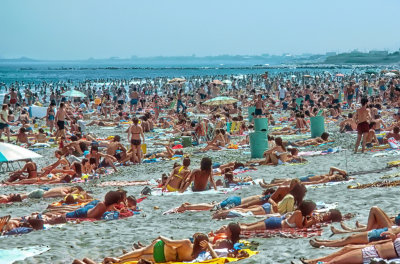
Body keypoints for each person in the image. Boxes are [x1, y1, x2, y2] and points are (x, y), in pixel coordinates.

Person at [81, 233, 211, 264]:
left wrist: (161, 237)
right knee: (141, 257)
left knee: (140, 252)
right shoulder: (197, 256)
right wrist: (209, 246)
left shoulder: (187, 242)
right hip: (164, 259)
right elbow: (215, 257)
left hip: (164, 248)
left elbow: (171, 243)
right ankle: (119, 262)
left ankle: (118, 259)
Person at [303, 230, 400, 264]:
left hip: (373, 254)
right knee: (342, 253)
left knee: (335, 262)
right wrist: (393, 238)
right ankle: (315, 261)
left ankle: (315, 262)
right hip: (373, 249)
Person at [238, 200, 317, 231]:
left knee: (248, 226)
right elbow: (301, 227)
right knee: (247, 229)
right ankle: (232, 228)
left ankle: (235, 226)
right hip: (275, 223)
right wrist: (312, 221)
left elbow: (304, 225)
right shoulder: (299, 213)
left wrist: (312, 220)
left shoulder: (303, 215)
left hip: (276, 221)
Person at [260, 167, 348, 188]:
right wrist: (341, 172)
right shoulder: (330, 175)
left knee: (287, 182)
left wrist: (302, 184)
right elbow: (332, 167)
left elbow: (314, 183)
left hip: (306, 180)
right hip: (308, 177)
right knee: (288, 180)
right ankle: (273, 182)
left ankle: (268, 185)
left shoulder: (328, 179)